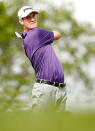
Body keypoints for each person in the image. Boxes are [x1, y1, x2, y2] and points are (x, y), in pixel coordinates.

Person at [17, 6, 67, 112]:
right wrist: (48, 36)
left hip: (59, 88)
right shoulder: (37, 33)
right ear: (21, 21)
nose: (32, 19)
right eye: (28, 17)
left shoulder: (30, 36)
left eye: (34, 16)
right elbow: (58, 34)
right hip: (46, 89)